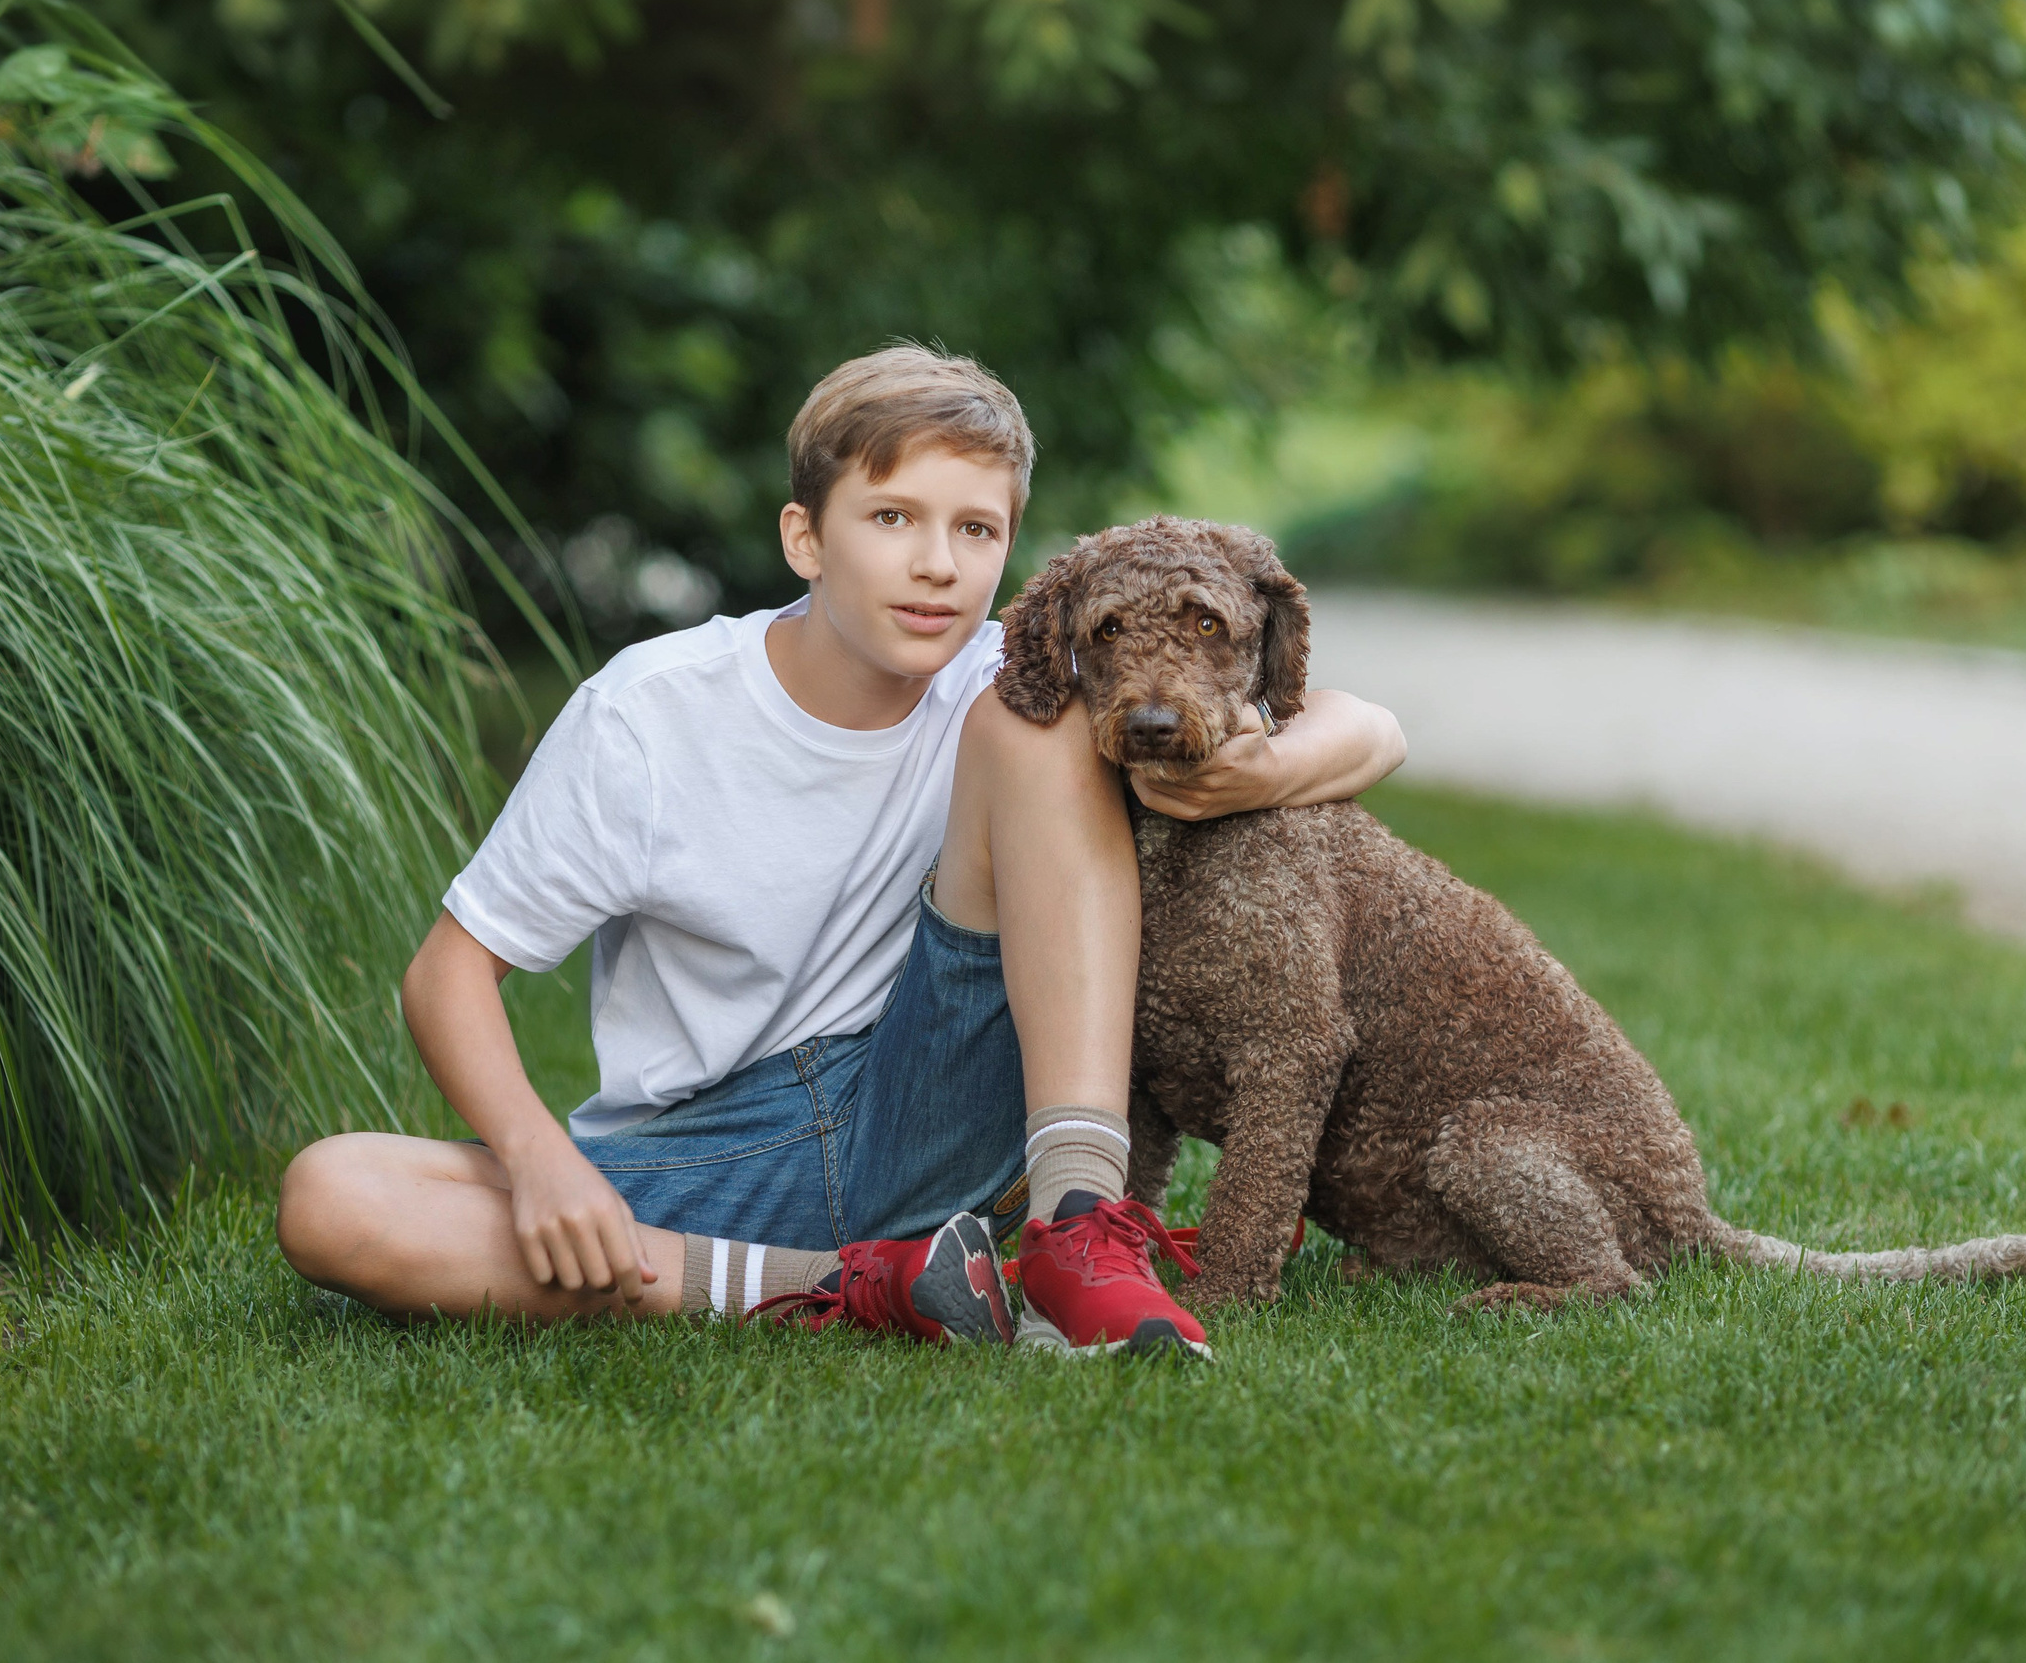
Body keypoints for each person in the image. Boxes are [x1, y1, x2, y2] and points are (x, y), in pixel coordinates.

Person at [276, 345, 1406, 1357]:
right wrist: (534, 1155)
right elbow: (448, 973)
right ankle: (871, 1286)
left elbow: (1371, 727)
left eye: (976, 530)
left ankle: (1074, 1224)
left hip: (936, 1092)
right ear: (804, 536)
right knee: (332, 1196)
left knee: (1043, 721)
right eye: (892, 518)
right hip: (712, 1150)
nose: (937, 565)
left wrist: (1256, 767)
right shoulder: (648, 716)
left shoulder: (1002, 679)